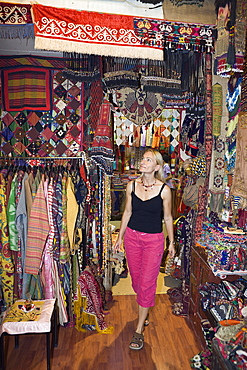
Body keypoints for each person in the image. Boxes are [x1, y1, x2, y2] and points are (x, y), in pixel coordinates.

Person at [114, 148, 175, 350]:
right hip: (132, 238)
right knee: (137, 280)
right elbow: (127, 212)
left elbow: (167, 217)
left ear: (156, 166)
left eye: (148, 160)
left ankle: (139, 330)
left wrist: (171, 242)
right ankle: (145, 309)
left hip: (153, 241)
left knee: (148, 282)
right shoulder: (131, 186)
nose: (143, 162)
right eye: (143, 159)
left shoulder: (164, 190)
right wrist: (120, 237)